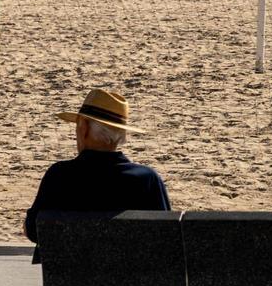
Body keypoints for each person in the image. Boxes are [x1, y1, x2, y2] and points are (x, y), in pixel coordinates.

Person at [23, 89, 170, 262]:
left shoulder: (59, 175)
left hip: (69, 285)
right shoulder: (147, 180)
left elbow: (33, 230)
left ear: (83, 128)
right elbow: (167, 238)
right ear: (122, 136)